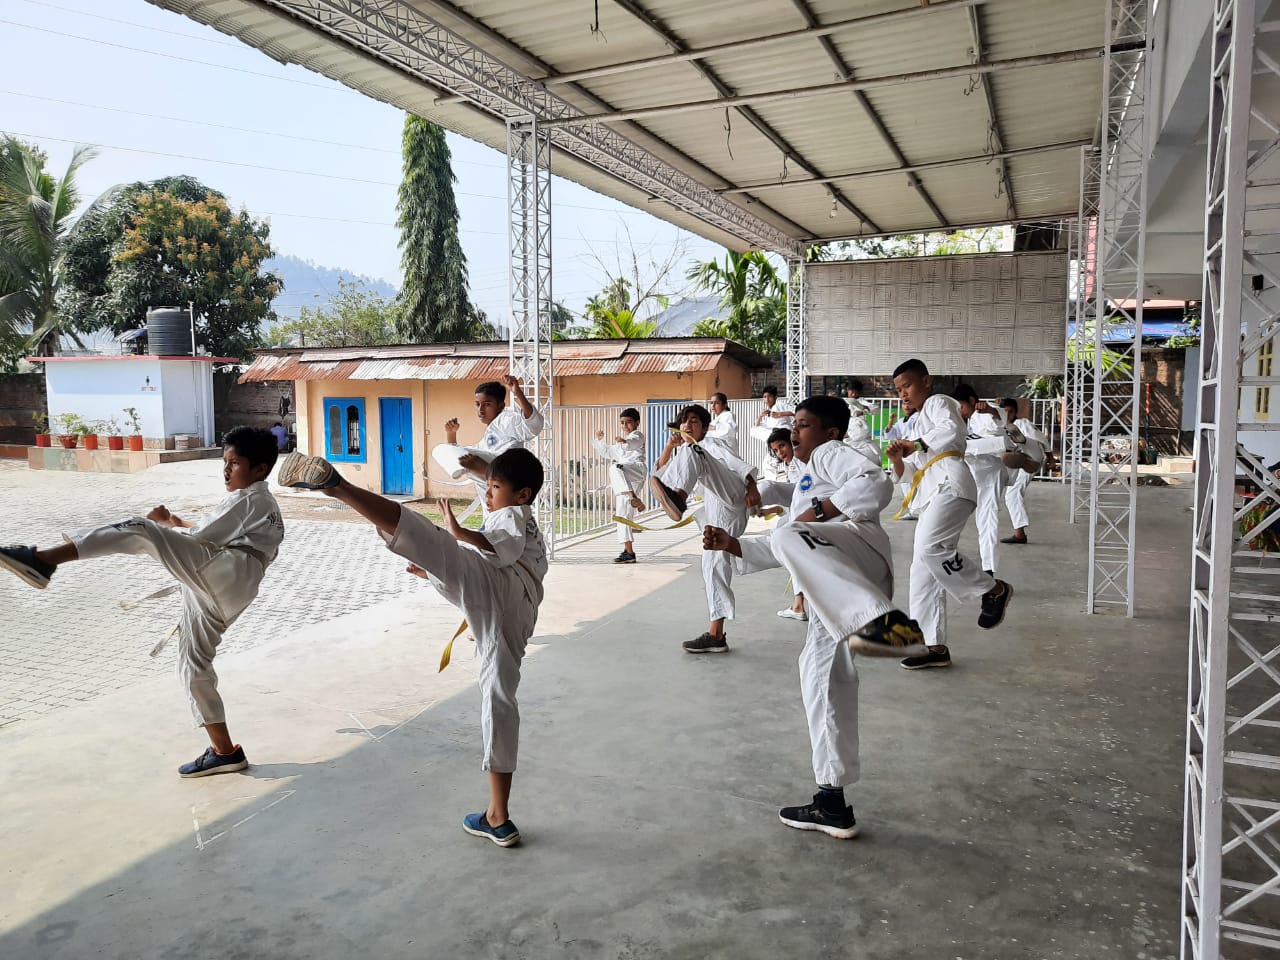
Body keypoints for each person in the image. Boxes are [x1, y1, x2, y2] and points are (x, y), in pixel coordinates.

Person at [276, 446, 547, 849]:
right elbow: (492, 570)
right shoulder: (525, 520)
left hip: (502, 590)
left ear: (522, 494)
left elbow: (498, 549)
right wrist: (439, 571)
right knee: (499, 698)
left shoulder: (514, 515)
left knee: (430, 539)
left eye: (494, 487)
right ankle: (497, 814)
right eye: (488, 485)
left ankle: (340, 487)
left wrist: (459, 533)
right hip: (514, 602)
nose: (488, 494)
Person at [0, 426, 285, 777]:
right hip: (231, 586)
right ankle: (224, 752)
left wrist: (163, 526)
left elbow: (199, 537)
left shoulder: (250, 498)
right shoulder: (261, 504)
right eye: (224, 462)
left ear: (259, 469)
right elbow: (211, 533)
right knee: (193, 664)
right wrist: (173, 523)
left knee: (140, 530)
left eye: (235, 463)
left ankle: (42, 560)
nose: (226, 470)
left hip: (224, 573)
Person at [702, 395, 925, 839]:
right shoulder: (806, 475)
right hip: (840, 586)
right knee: (821, 677)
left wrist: (816, 512)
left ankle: (878, 623)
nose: (795, 432)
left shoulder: (830, 453)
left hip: (855, 558)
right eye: (795, 425)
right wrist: (733, 544)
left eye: (803, 425)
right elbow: (791, 545)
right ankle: (831, 801)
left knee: (789, 532)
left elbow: (876, 483)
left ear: (830, 432)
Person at [885, 359, 1013, 670]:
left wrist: (915, 444)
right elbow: (909, 472)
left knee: (932, 549)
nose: (903, 394)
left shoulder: (938, 403)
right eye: (898, 390)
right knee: (922, 567)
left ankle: (993, 589)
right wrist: (898, 460)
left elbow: (952, 430)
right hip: (932, 492)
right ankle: (932, 645)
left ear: (926, 381)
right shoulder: (915, 423)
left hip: (950, 484)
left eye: (907, 386)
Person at [650, 403, 761, 653]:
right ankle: (716, 634)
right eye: (684, 420)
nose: (688, 424)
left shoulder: (711, 444)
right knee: (712, 564)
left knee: (693, 451)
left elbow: (740, 466)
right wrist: (669, 447)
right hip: (716, 508)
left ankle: (679, 498)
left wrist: (752, 488)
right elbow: (659, 476)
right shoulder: (686, 452)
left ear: (705, 427)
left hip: (733, 498)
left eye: (694, 420)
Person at [433, 374, 544, 514]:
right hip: (495, 509)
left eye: (487, 404)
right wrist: (451, 434)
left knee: (449, 452)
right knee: (453, 453)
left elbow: (533, 427)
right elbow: (466, 454)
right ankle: (487, 472)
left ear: (501, 406)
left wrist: (518, 393)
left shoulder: (506, 419)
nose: (481, 410)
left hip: (505, 473)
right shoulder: (488, 437)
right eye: (478, 404)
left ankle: (489, 471)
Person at [951, 384, 1007, 577]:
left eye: (962, 407)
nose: (961, 412)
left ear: (972, 401)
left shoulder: (987, 411)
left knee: (987, 517)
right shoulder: (968, 419)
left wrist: (991, 411)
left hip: (990, 471)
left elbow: (1000, 423)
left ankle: (989, 569)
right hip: (973, 470)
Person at [762, 427, 806, 622]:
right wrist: (772, 510)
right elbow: (795, 499)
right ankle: (798, 604)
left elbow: (801, 497)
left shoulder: (802, 463)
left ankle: (799, 605)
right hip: (800, 516)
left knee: (795, 558)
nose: (780, 452)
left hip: (808, 519)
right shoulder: (793, 465)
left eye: (782, 446)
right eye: (776, 450)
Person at [593, 407, 647, 564]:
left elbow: (633, 443)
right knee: (623, 513)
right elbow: (607, 452)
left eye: (628, 422)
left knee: (614, 467)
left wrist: (625, 442)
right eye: (622, 423)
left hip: (636, 470)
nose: (625, 426)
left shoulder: (637, 435)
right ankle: (629, 552)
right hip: (624, 478)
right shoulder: (619, 445)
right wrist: (599, 440)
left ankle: (631, 495)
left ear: (637, 422)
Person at [998, 397, 1047, 545]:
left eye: (1010, 412)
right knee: (1011, 492)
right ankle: (1019, 533)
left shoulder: (1022, 423)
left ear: (1016, 412)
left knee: (1012, 494)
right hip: (1021, 460)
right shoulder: (1001, 426)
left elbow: (1041, 439)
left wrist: (1051, 458)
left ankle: (1020, 534)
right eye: (1005, 412)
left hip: (1031, 459)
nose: (1008, 415)